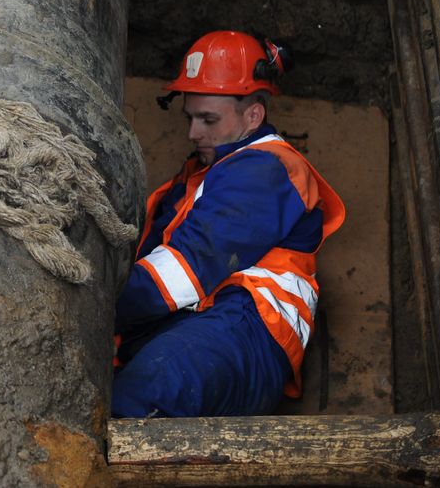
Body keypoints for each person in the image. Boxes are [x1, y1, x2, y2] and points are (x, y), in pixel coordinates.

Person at [112, 30, 346, 417]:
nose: (193, 133)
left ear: (253, 114)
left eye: (208, 119)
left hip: (251, 326)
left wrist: (96, 304)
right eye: (190, 117)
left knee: (140, 397)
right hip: (204, 324)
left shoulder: (264, 169)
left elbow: (184, 272)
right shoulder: (202, 175)